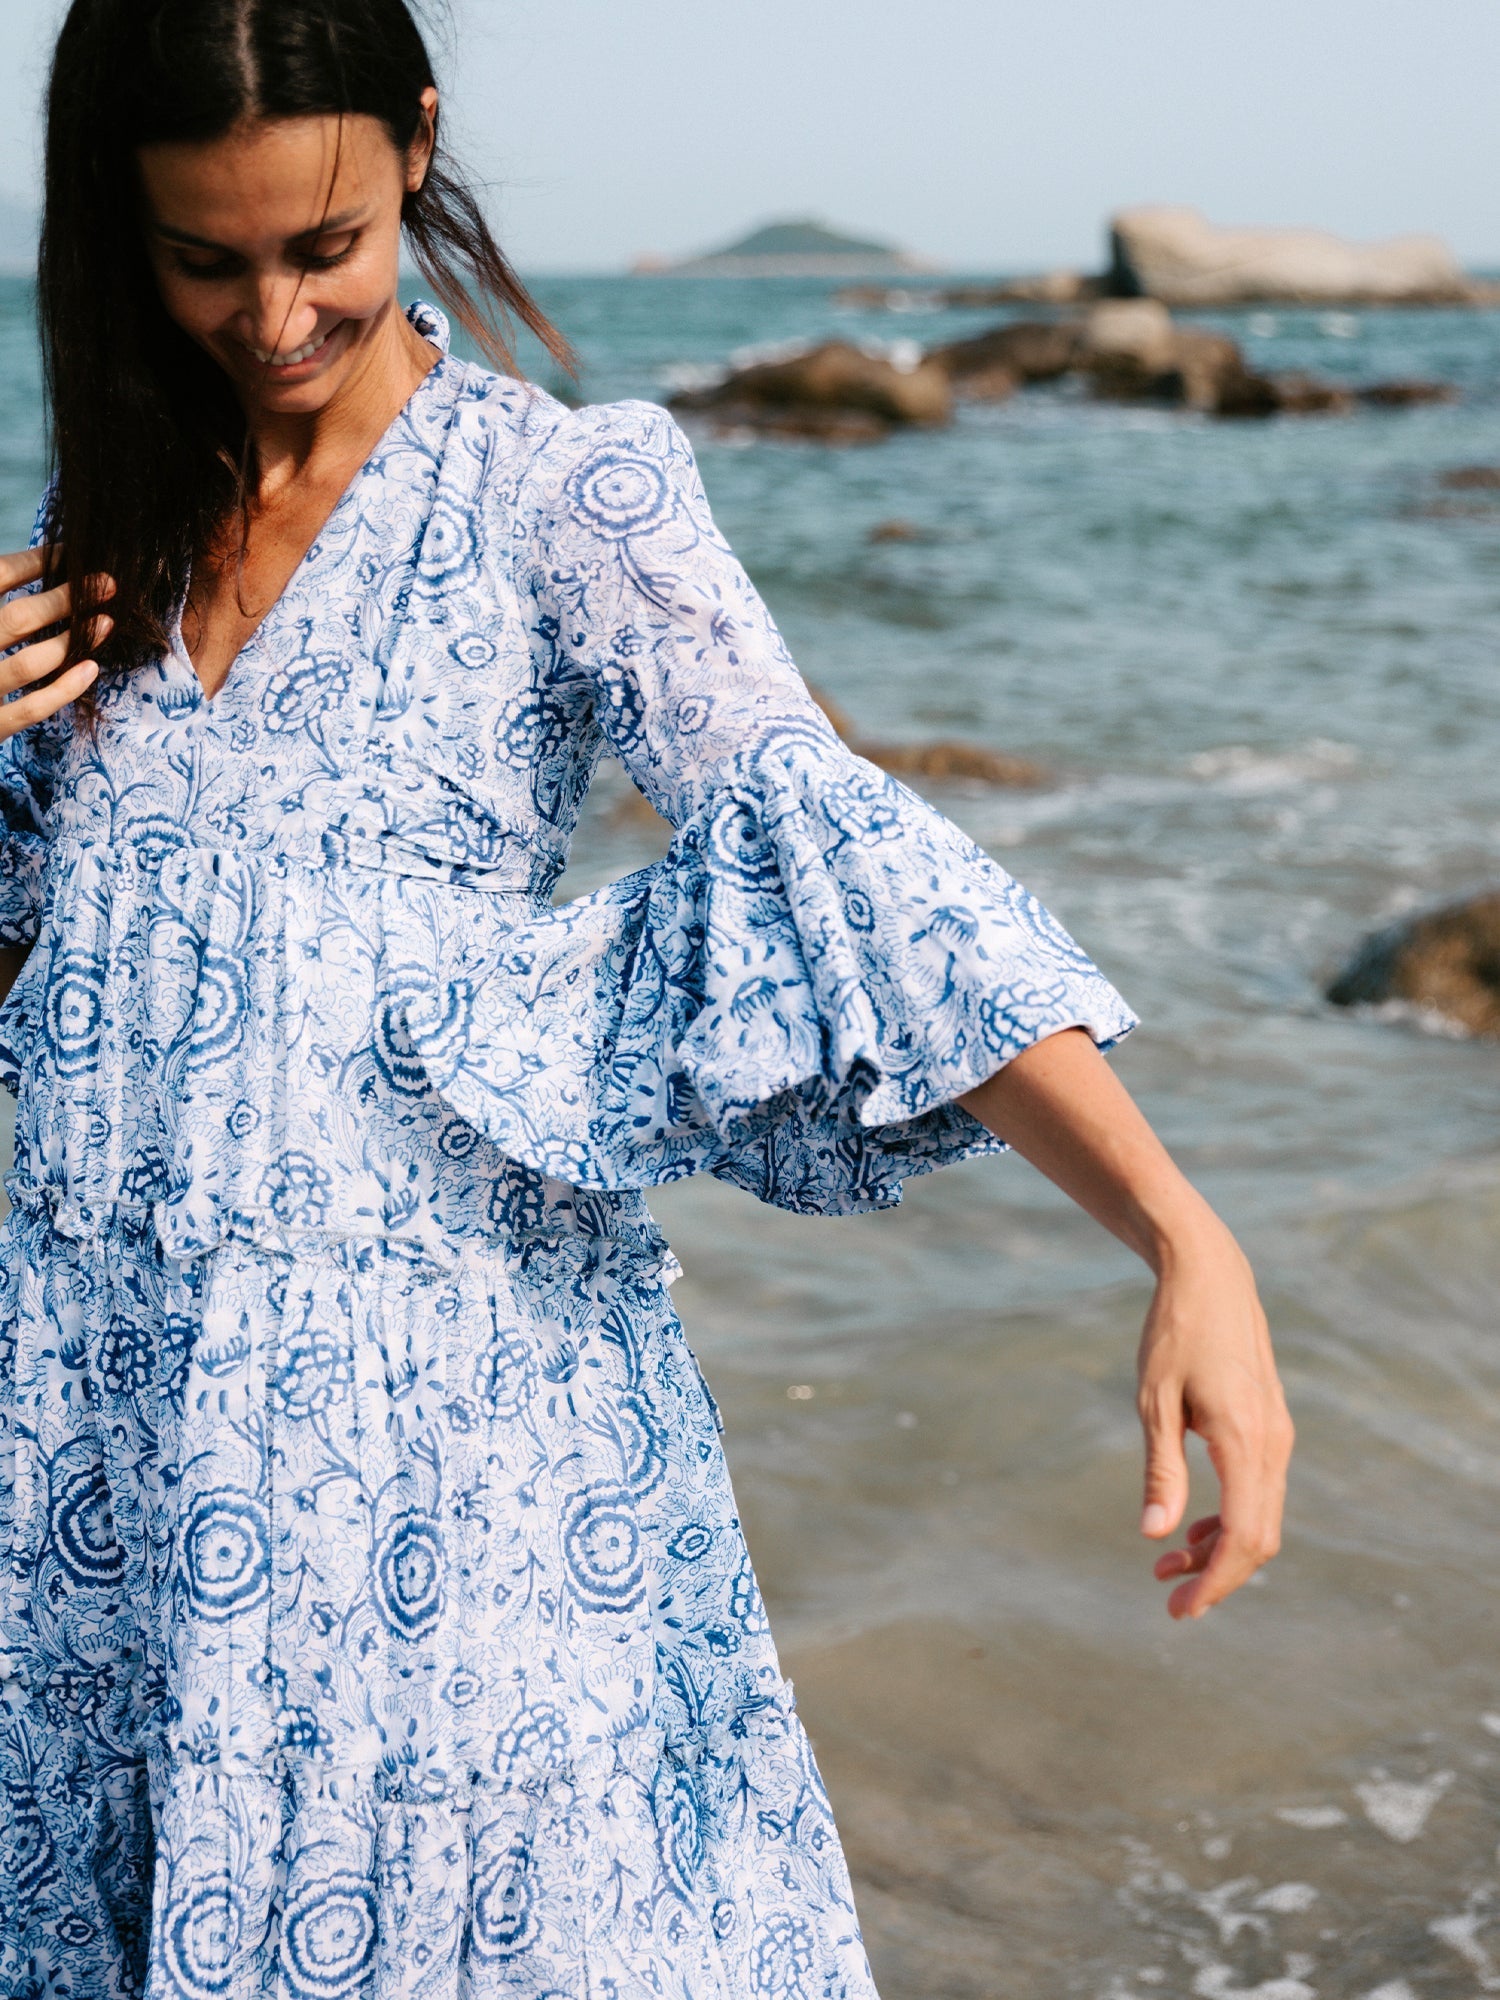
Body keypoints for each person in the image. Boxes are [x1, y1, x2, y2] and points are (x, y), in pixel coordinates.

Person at [0, 2, 1292, 1994]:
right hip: (108, 1473)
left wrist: (1174, 1224)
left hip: (445, 1468)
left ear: (416, 149)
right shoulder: (92, 561)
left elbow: (826, 843)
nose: (271, 316)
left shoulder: (558, 500)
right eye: (204, 258)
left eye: (323, 246)